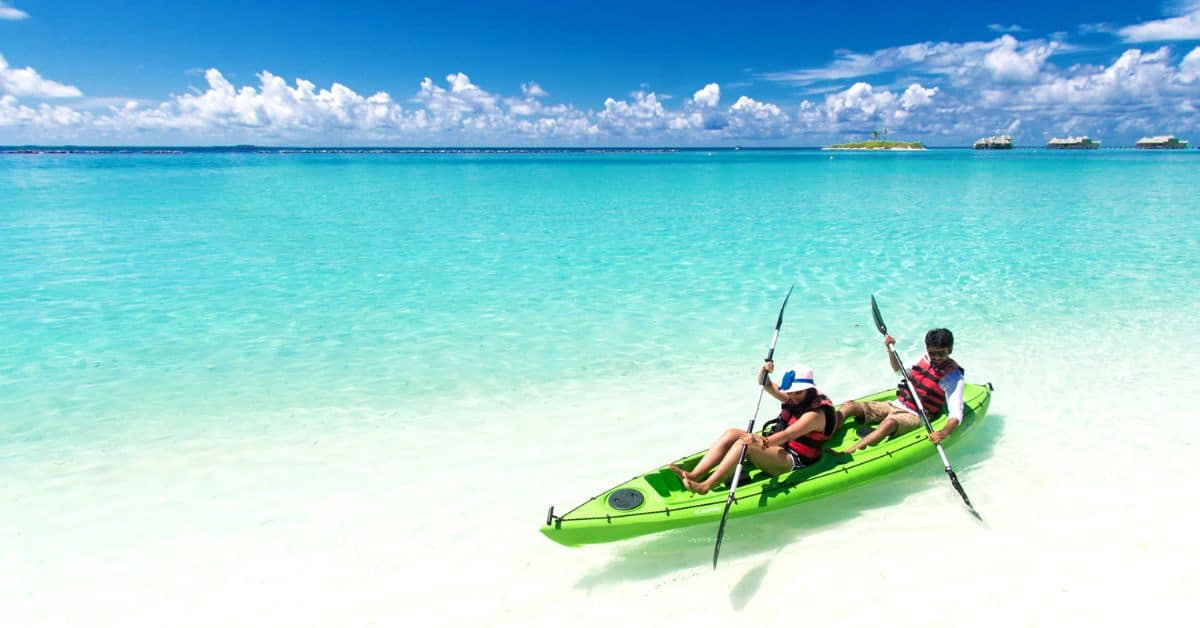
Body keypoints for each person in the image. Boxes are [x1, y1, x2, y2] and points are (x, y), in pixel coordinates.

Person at [670, 361, 842, 495]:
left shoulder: (814, 415)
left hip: (794, 461)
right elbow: (766, 385)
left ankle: (705, 486)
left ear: (808, 389)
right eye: (790, 392)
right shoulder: (796, 397)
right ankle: (695, 475)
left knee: (745, 444)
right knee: (732, 433)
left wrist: (760, 441)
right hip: (780, 448)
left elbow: (787, 434)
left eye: (798, 392)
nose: (792, 396)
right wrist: (764, 371)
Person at [839, 328, 964, 454]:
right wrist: (890, 350)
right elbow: (898, 370)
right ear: (927, 349)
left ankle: (847, 453)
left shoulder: (953, 377)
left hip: (917, 416)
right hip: (896, 404)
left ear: (950, 350)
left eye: (941, 353)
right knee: (849, 406)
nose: (937, 357)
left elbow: (956, 413)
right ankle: (825, 434)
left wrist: (943, 432)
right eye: (933, 353)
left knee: (889, 423)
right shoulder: (924, 359)